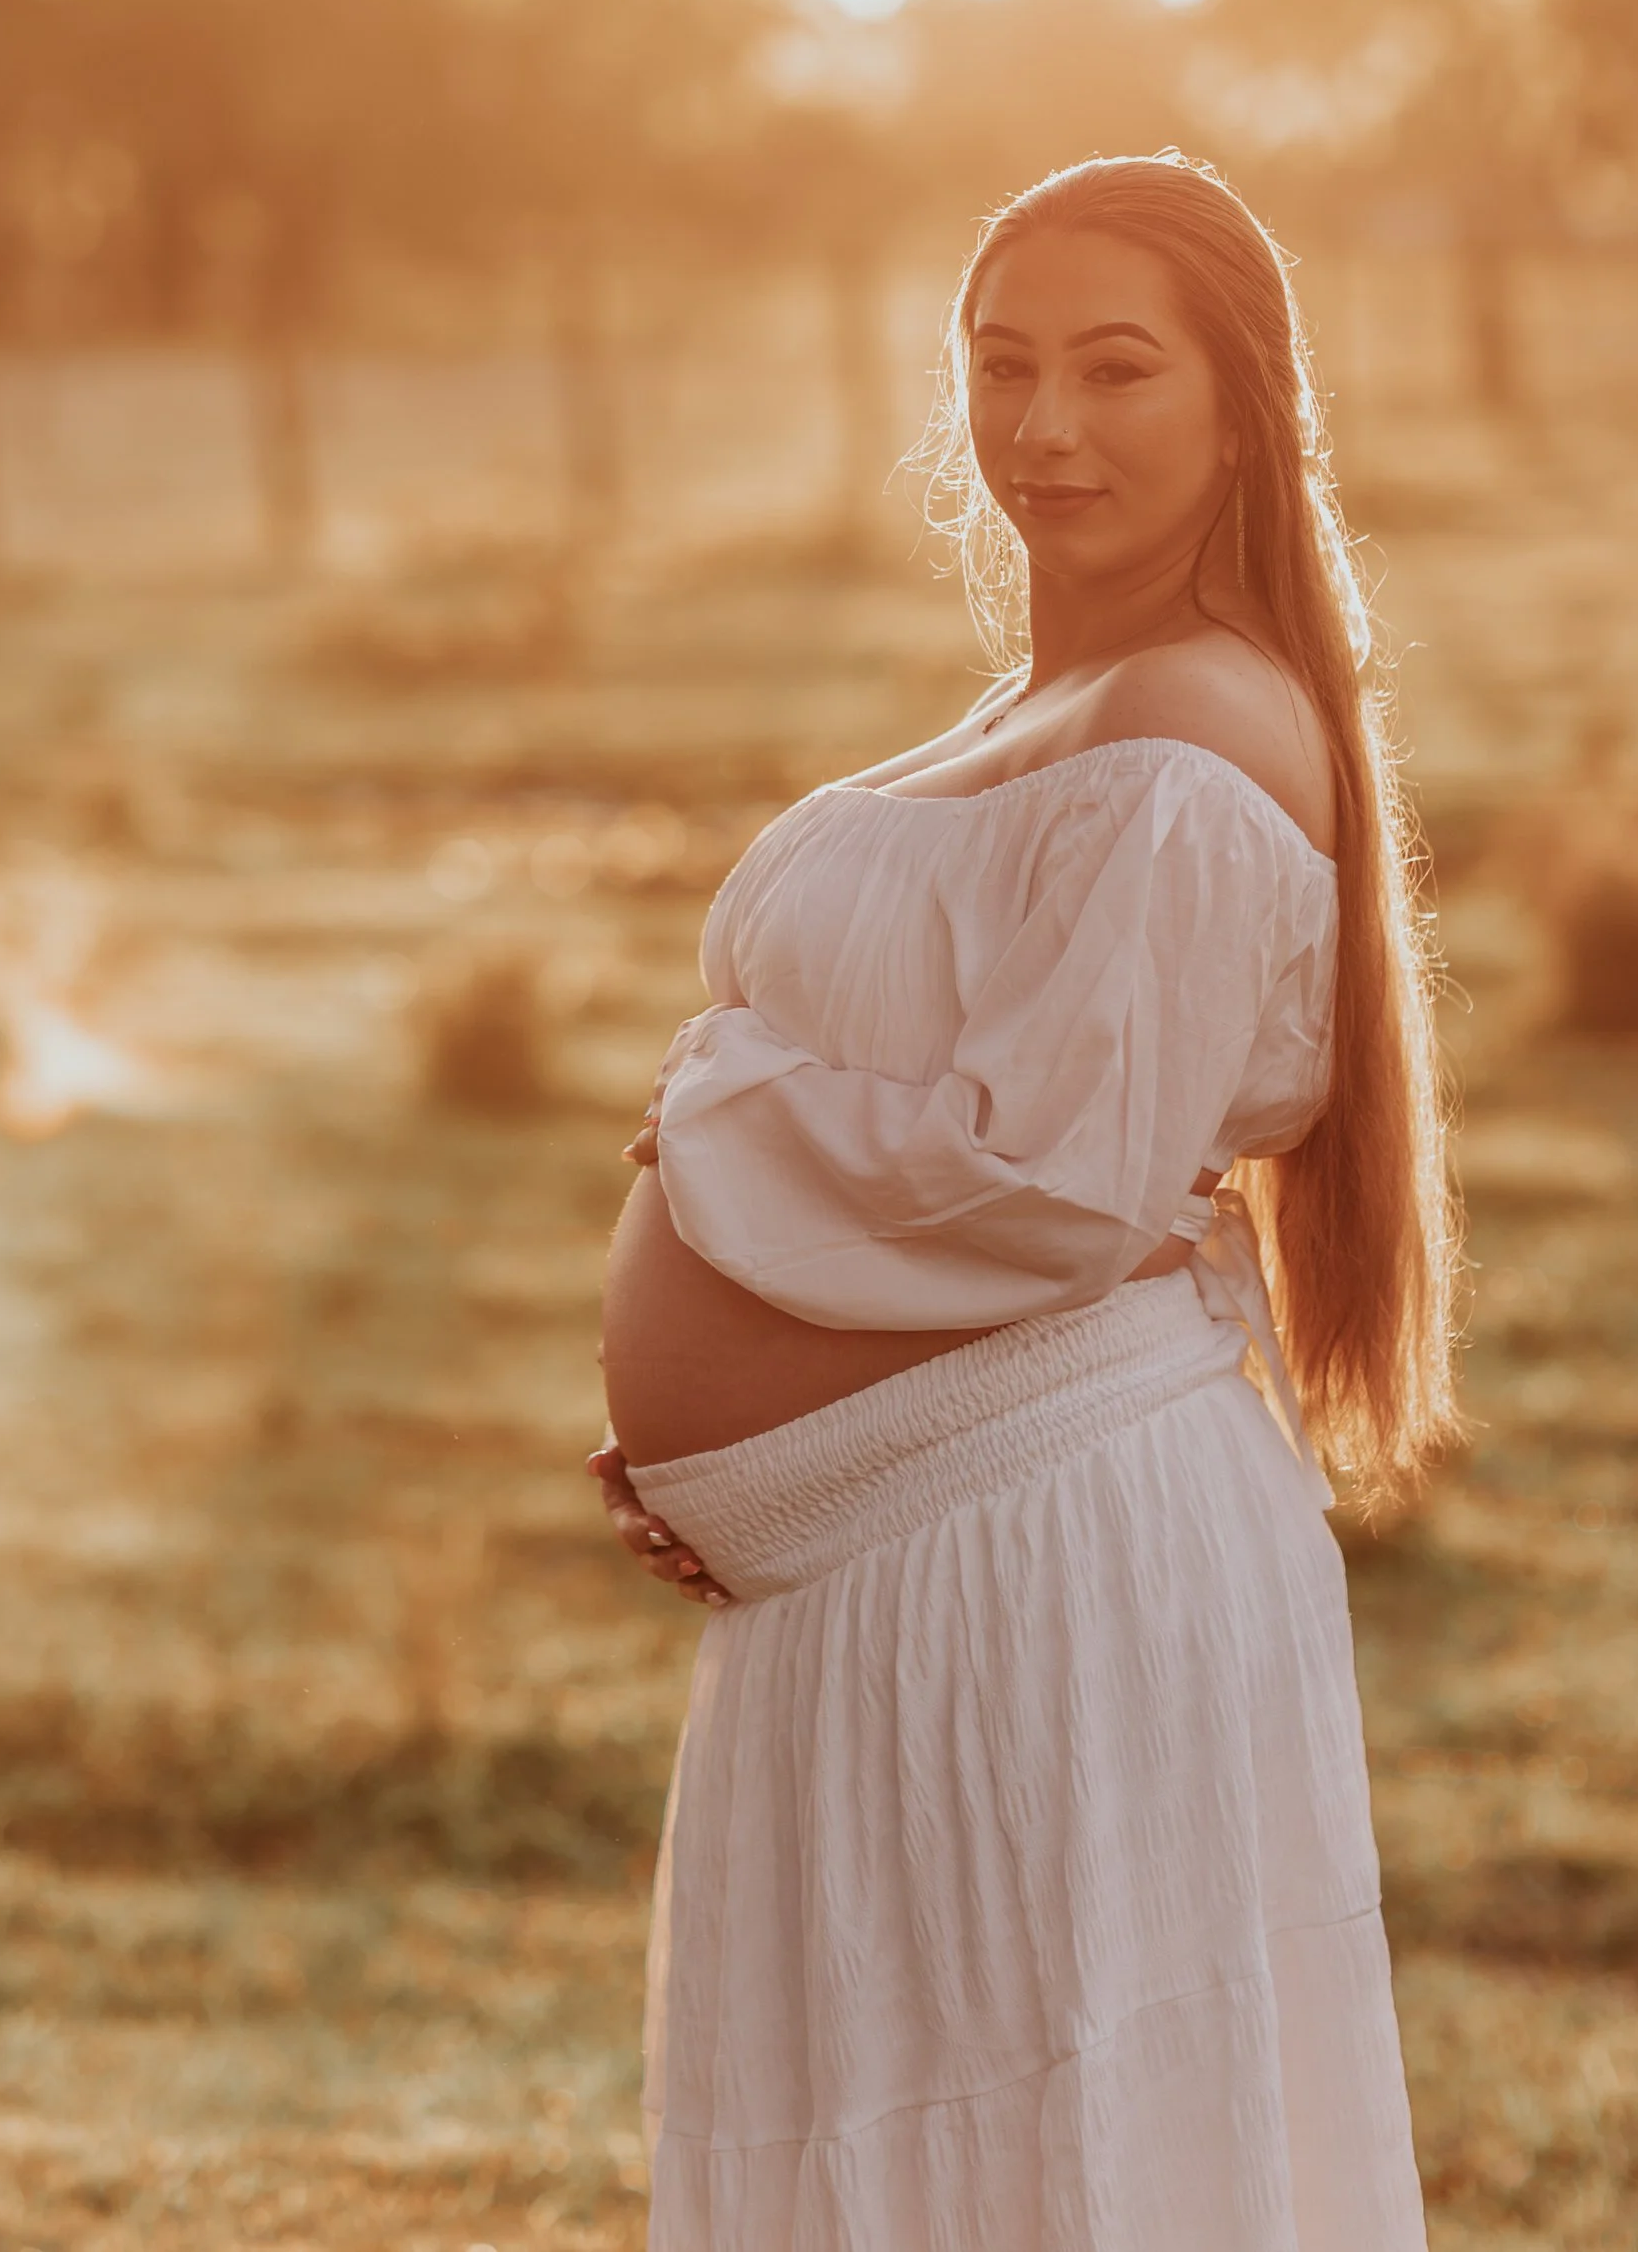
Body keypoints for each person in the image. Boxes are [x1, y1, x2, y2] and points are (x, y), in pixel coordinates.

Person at [585, 152, 1458, 2252]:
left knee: (1062, 2168)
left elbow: (1043, 1185)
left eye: (1112, 370)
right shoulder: (1041, 707)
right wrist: (731, 1447)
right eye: (999, 368)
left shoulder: (1190, 737)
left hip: (1038, 1553)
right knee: (917, 2146)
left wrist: (708, 1122)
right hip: (876, 1571)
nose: (1041, 427)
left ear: (1240, 406)